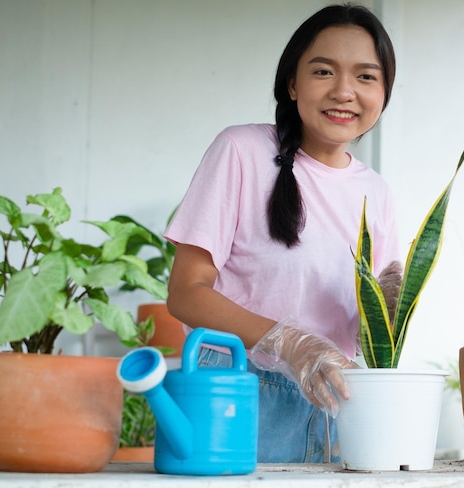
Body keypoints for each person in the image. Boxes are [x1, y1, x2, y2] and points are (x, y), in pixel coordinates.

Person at [164, 3, 402, 463]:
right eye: (323, 71)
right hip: (239, 392)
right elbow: (185, 294)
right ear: (292, 83)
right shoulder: (241, 150)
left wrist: (390, 307)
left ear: (384, 93)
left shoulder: (377, 191)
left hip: (335, 402)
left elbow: (376, 321)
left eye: (366, 77)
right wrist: (291, 343)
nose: (344, 91)